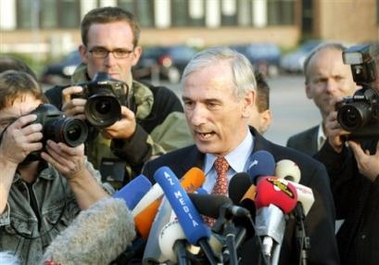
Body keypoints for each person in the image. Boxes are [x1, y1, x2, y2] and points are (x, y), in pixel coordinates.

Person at [142, 46, 339, 264]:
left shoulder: (305, 175)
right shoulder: (160, 174)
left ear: (246, 102)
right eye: (189, 103)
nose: (196, 118)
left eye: (211, 104)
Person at [44, 6, 193, 189]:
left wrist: (133, 139)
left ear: (136, 55)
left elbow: (180, 179)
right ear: (83, 53)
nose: (110, 62)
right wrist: (64, 129)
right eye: (100, 51)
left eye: (121, 52)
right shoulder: (55, 101)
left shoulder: (160, 103)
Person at [0, 70, 113, 264]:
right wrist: (7, 160)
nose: (25, 130)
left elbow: (112, 225)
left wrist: (78, 176)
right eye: (9, 123)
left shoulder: (65, 159)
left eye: (32, 118)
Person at [313, 43, 379, 265]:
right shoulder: (367, 135)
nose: (370, 98)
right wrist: (334, 150)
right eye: (367, 90)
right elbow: (332, 205)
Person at [286, 42, 359, 156]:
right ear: (308, 89)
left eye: (338, 78)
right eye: (321, 80)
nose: (330, 88)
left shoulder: (374, 138)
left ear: (358, 83)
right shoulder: (296, 145)